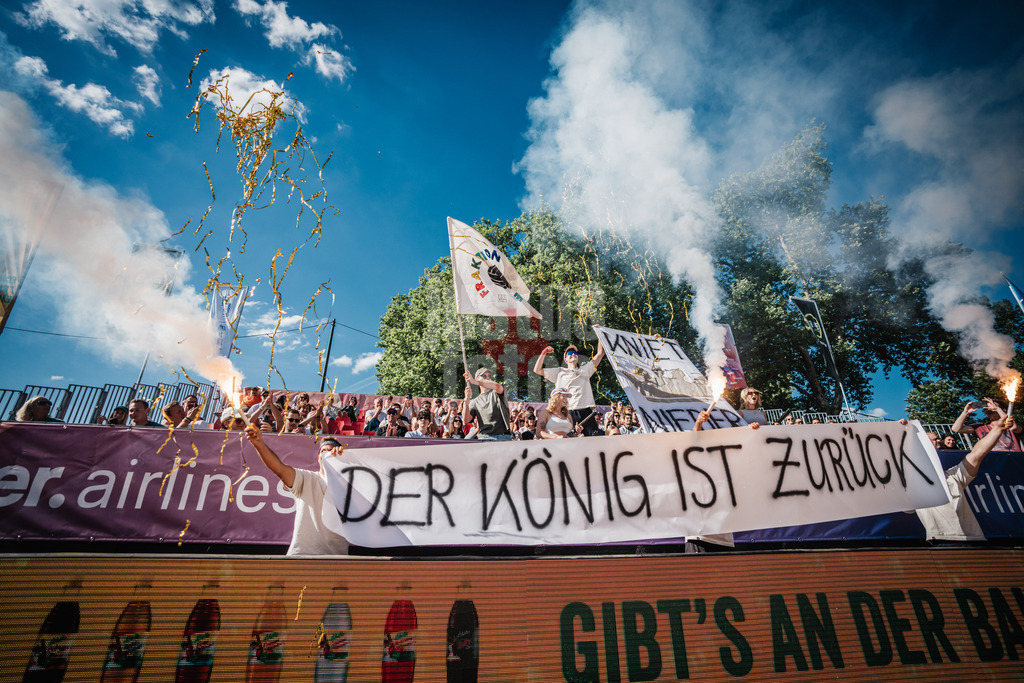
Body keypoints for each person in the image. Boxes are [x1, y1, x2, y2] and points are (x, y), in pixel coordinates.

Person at [244, 425, 350, 555]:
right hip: (302, 555)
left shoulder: (350, 485)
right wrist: (259, 444)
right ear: (318, 458)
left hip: (337, 558)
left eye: (332, 451)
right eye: (324, 451)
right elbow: (279, 469)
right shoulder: (306, 478)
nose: (328, 454)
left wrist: (345, 462)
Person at [916, 415, 1016, 542]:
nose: (938, 442)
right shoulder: (912, 484)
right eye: (932, 440)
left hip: (975, 540)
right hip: (941, 541)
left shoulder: (954, 476)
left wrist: (997, 429)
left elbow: (977, 453)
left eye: (937, 440)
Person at [533, 338, 606, 436]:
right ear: (565, 359)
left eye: (575, 353)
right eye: (570, 353)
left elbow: (600, 353)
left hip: (586, 411)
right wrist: (544, 352)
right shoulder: (559, 372)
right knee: (570, 441)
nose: (573, 354)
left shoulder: (585, 370)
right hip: (568, 412)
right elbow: (537, 370)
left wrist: (599, 334)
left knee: (594, 440)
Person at [951, 397, 1022, 452]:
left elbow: (1013, 427)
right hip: (991, 460)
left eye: (992, 407)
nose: (989, 409)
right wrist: (965, 412)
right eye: (986, 408)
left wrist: (997, 408)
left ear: (1003, 410)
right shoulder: (981, 427)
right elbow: (956, 428)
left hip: (1013, 459)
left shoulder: (1012, 423)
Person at [462, 368, 512, 440]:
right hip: (484, 437)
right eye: (484, 376)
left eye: (490, 376)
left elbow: (497, 386)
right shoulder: (475, 401)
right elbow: (466, 420)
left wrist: (475, 382)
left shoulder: (496, 393)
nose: (488, 377)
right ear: (477, 378)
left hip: (503, 436)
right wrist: (466, 400)